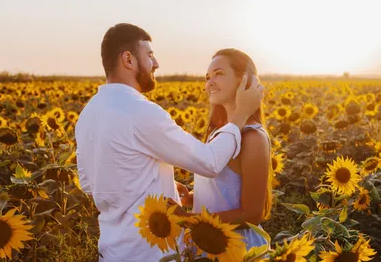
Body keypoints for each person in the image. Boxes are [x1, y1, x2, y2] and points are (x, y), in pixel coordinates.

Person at [75, 23, 264, 262]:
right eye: (150, 55)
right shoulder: (141, 111)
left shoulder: (87, 114)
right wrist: (240, 116)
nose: (156, 64)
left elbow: (88, 183)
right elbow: (210, 162)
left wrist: (157, 181)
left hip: (113, 251)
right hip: (151, 252)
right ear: (128, 60)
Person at [171, 48, 272, 253]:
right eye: (208, 77)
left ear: (243, 81)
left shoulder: (253, 138)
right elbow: (226, 190)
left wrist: (188, 219)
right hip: (211, 242)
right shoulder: (220, 133)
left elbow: (252, 214)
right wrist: (192, 197)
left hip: (239, 249)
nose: (210, 82)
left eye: (219, 74)